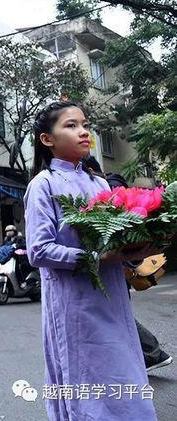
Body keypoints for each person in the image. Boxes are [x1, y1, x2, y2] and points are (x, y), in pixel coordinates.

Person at [24, 101, 159, 420]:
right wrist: (95, 257)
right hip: (75, 305)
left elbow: (114, 242)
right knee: (86, 378)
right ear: (48, 139)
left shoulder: (100, 184)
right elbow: (38, 250)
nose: (83, 131)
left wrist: (137, 250)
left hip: (113, 298)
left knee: (124, 372)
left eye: (84, 124)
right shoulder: (43, 185)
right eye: (71, 125)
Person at [82, 155, 174, 373]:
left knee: (116, 314)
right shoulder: (109, 186)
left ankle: (152, 353)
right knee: (115, 314)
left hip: (117, 266)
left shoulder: (109, 188)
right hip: (115, 265)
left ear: (91, 171)